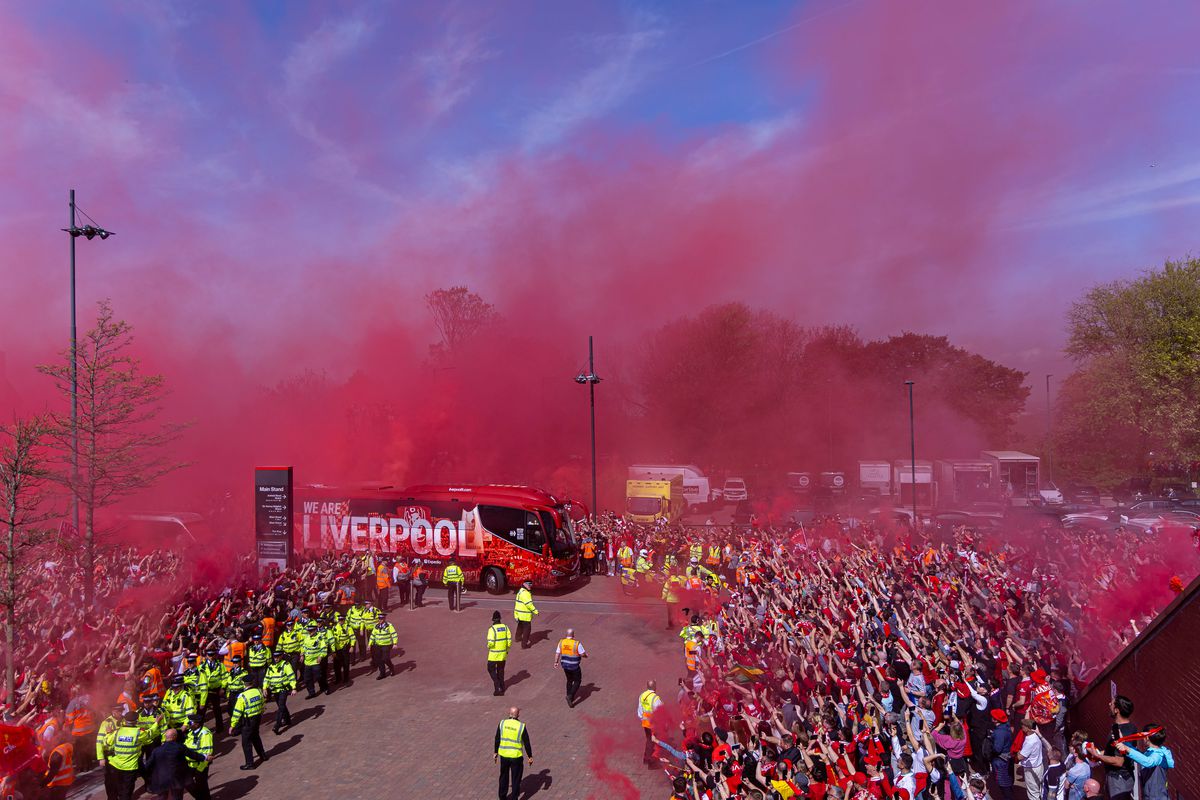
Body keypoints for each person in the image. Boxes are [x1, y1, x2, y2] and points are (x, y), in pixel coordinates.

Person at [1091, 695, 1136, 800]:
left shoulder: (1124, 732)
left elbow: (1119, 761)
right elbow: (1112, 751)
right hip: (1116, 779)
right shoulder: (1119, 727)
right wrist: (1096, 753)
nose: (1109, 704)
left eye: (1112, 703)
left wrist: (1097, 756)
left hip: (1119, 780)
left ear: (1116, 710)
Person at [145, 728, 209, 800]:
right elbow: (193, 755)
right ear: (175, 736)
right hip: (177, 779)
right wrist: (205, 757)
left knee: (162, 797)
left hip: (162, 780)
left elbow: (148, 765)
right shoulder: (179, 747)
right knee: (178, 796)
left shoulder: (156, 750)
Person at [101, 710, 151, 800]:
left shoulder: (117, 732)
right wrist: (156, 724)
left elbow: (106, 743)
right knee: (127, 789)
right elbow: (149, 738)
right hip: (130, 767)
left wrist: (109, 733)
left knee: (120, 787)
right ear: (136, 721)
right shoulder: (139, 732)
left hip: (116, 765)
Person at [1116, 724, 1173, 800]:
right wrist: (1123, 741)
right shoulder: (1151, 753)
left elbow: (1148, 762)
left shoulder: (1159, 755)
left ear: (1147, 738)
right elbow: (1139, 755)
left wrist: (1127, 749)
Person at [494, 707, 532, 800]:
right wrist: (530, 756)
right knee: (516, 779)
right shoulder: (521, 726)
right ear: (518, 715)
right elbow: (527, 742)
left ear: (509, 714)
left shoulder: (502, 723)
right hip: (516, 757)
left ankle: (502, 796)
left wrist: (495, 752)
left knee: (503, 777)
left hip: (504, 755)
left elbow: (497, 738)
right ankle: (514, 798)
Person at [229, 684, 268, 771]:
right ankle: (263, 756)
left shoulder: (242, 696)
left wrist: (233, 725)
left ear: (244, 684)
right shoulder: (258, 691)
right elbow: (263, 703)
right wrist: (261, 712)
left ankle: (250, 763)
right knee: (255, 737)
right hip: (257, 717)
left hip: (248, 721)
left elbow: (237, 712)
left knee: (246, 742)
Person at [264, 650, 297, 734]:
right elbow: (267, 678)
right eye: (275, 657)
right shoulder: (271, 666)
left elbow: (291, 677)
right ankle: (288, 720)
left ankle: (277, 725)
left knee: (281, 707)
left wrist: (293, 687)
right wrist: (264, 688)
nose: (276, 659)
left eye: (278, 657)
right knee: (281, 706)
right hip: (275, 690)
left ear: (281, 656)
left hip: (283, 689)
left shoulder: (286, 665)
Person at [554, 628, 588, 707]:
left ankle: (569, 696)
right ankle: (570, 696)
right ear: (573, 635)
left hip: (565, 665)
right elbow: (582, 654)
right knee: (577, 681)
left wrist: (556, 662)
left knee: (569, 680)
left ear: (566, 634)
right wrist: (586, 656)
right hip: (574, 666)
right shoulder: (576, 643)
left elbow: (557, 653)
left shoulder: (561, 642)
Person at [183, 715, 214, 800]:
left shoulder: (205, 734)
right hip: (190, 765)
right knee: (187, 783)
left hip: (200, 765)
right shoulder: (190, 732)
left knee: (202, 785)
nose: (188, 724)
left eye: (190, 722)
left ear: (197, 724)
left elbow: (208, 753)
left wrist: (200, 769)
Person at [1017, 717, 1047, 800]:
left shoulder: (1030, 742)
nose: (1022, 726)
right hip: (1039, 766)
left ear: (1029, 728)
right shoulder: (1036, 736)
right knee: (1039, 788)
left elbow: (1020, 757)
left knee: (1033, 793)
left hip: (1031, 769)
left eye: (1024, 726)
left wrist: (1018, 752)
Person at [42, 732, 75, 800]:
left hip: (57, 784)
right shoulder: (66, 746)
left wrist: (42, 784)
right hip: (67, 781)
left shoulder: (56, 754)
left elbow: (52, 773)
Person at [487, 611, 513, 696]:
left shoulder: (492, 629)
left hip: (493, 655)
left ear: (493, 620)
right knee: (501, 671)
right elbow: (509, 641)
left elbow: (491, 642)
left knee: (491, 669)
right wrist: (507, 650)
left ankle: (497, 685)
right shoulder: (505, 627)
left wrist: (488, 646)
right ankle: (502, 687)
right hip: (503, 654)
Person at [300, 623, 329, 698]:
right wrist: (302, 655)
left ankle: (324, 688)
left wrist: (320, 656)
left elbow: (324, 648)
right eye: (309, 631)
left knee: (319, 676)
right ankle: (311, 693)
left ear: (315, 630)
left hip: (316, 661)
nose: (310, 632)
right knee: (307, 679)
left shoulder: (320, 638)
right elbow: (303, 647)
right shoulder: (306, 638)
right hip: (307, 662)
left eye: (312, 631)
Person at [638, 680, 663, 765]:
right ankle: (651, 762)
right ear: (655, 687)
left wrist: (643, 719)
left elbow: (640, 711)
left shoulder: (642, 695)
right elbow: (660, 712)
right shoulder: (655, 698)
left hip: (645, 723)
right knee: (653, 742)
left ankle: (646, 758)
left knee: (649, 740)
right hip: (653, 724)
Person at [369, 614, 398, 679]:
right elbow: (372, 635)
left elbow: (394, 634)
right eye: (379, 619)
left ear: (384, 619)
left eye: (381, 619)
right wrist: (369, 644)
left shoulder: (389, 626)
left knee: (385, 658)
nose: (380, 620)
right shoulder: (376, 626)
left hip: (386, 645)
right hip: (377, 645)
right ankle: (382, 674)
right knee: (379, 660)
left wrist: (395, 643)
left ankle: (391, 667)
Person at [330, 613, 353, 688]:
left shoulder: (348, 627)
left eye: (342, 620)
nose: (340, 621)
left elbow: (352, 637)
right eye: (339, 620)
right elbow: (331, 638)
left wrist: (352, 646)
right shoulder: (334, 628)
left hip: (345, 647)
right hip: (337, 648)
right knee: (336, 664)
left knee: (345, 663)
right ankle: (338, 678)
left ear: (344, 620)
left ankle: (346, 678)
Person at [513, 580, 539, 648]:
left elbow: (517, 603)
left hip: (519, 614)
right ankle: (524, 645)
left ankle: (517, 638)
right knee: (527, 630)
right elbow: (529, 604)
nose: (530, 586)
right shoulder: (525, 593)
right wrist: (535, 611)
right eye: (529, 584)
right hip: (525, 615)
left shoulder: (520, 591)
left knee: (520, 626)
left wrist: (516, 614)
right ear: (524, 584)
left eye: (531, 584)